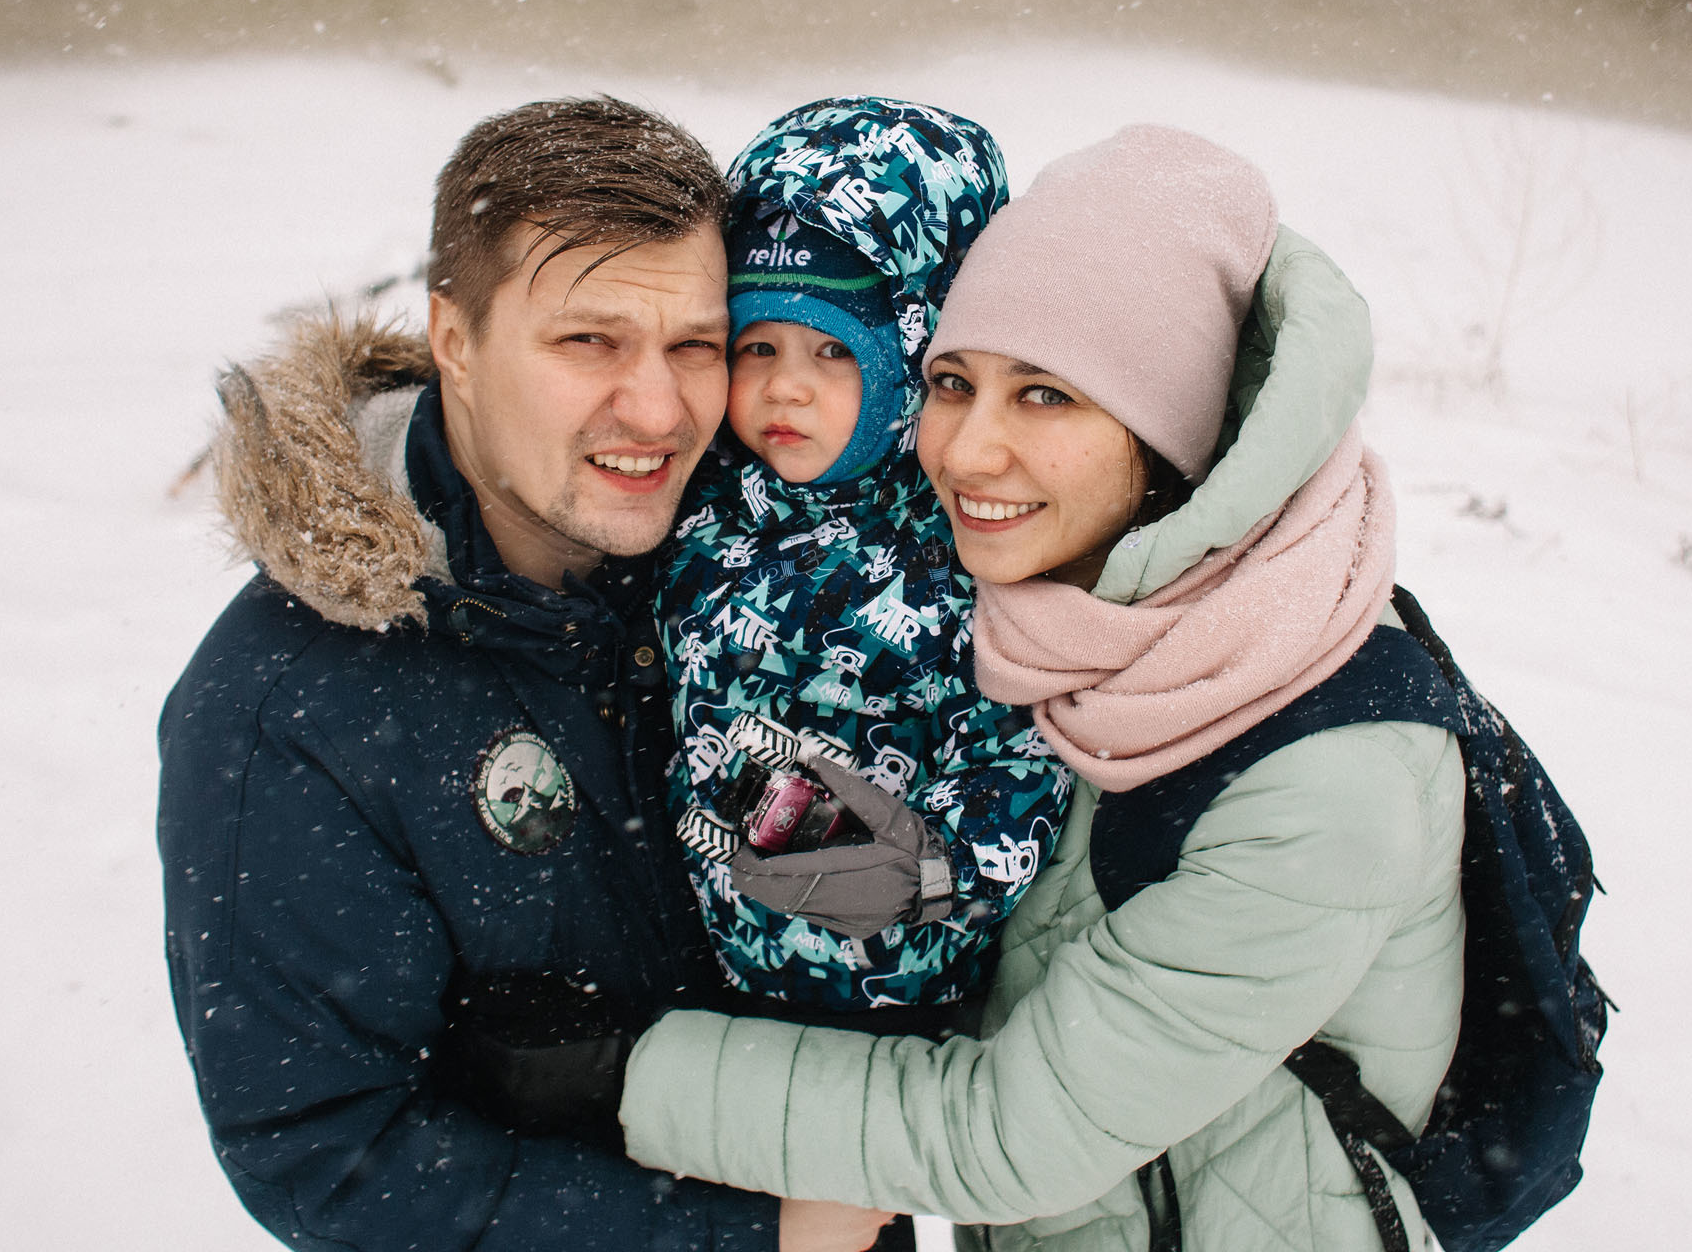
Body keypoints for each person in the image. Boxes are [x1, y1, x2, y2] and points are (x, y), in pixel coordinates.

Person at [620, 125, 1471, 1252]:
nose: (966, 454)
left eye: (1049, 397)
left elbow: (1012, 1134)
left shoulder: (1327, 772)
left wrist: (615, 1076)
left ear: (1173, 430)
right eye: (954, 384)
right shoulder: (1067, 629)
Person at [157, 96, 785, 1252]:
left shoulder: (763, 576)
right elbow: (325, 1151)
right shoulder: (286, 707)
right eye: (588, 340)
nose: (658, 407)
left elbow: (876, 889)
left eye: (693, 344)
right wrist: (746, 1236)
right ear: (455, 336)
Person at [658, 98, 1072, 1017]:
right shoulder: (700, 511)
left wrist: (940, 865)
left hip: (905, 994)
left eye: (835, 353)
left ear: (915, 351)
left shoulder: (971, 538)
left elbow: (1027, 754)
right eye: (755, 345)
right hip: (714, 970)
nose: (784, 386)